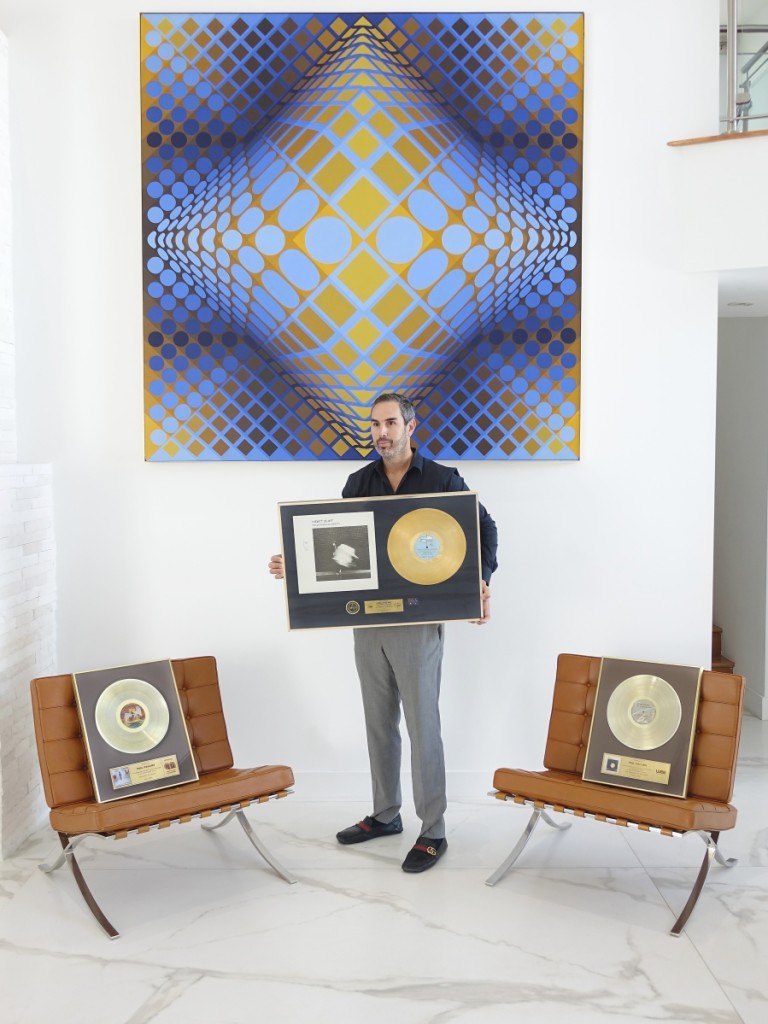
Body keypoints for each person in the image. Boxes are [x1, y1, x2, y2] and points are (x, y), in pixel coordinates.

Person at [269, 392, 498, 873]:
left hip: (418, 623)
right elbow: (337, 547)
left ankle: (433, 829)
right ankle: (385, 814)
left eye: (391, 423)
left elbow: (484, 528)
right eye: (374, 425)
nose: (381, 433)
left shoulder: (441, 479)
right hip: (366, 621)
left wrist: (481, 580)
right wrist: (295, 564)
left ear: (411, 427)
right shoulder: (359, 482)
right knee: (378, 722)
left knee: (422, 726)